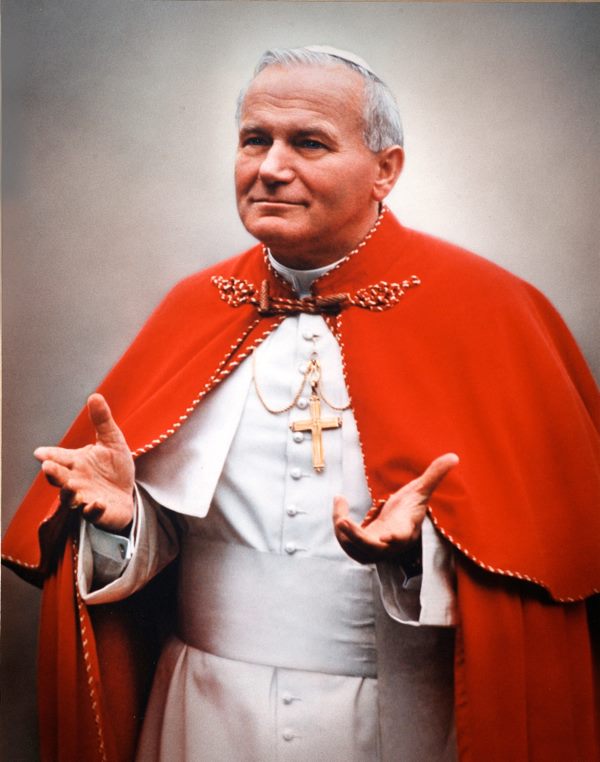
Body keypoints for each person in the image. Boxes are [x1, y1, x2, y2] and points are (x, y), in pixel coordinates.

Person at [3, 46, 599, 762]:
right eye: (255, 140)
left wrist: (420, 554)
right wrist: (126, 524)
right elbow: (173, 544)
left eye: (309, 143)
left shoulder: (495, 311)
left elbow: (540, 567)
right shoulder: (196, 307)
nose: (271, 168)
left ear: (386, 170)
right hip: (205, 710)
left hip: (402, 716)